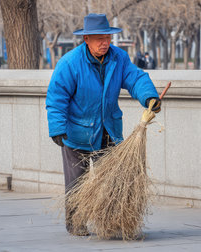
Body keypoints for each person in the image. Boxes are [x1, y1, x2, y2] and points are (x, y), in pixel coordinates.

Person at [45, 13, 161, 236]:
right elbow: (56, 97)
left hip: (108, 131)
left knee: (110, 182)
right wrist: (58, 128)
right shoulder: (69, 63)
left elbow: (136, 78)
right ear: (86, 39)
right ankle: (76, 223)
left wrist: (149, 97)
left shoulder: (119, 58)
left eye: (107, 38)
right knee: (76, 182)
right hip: (77, 132)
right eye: (99, 39)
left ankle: (108, 221)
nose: (104, 43)